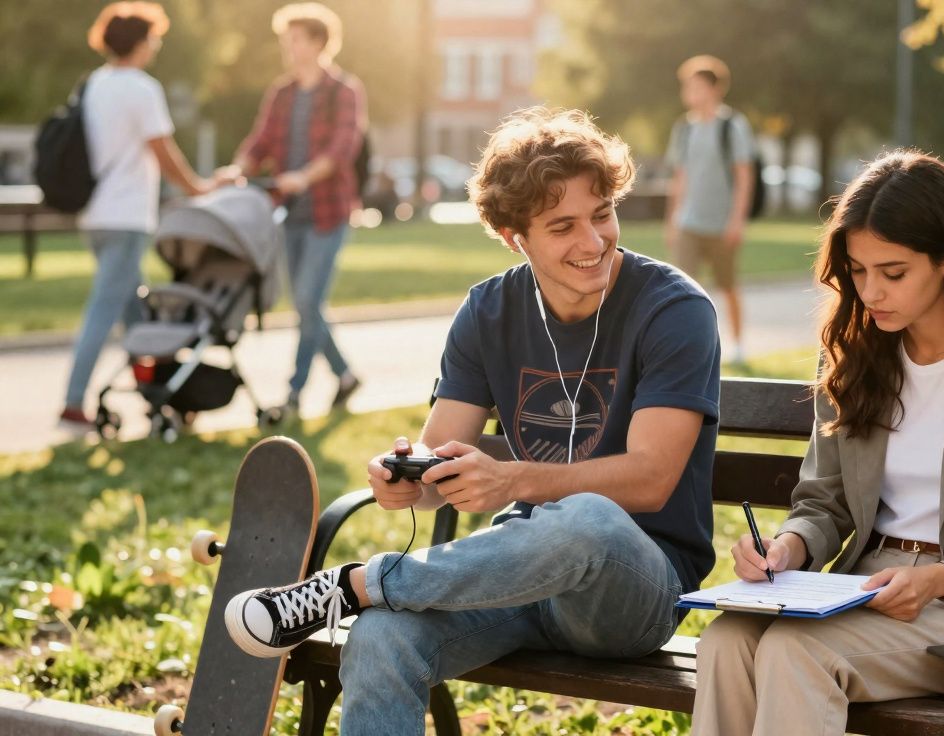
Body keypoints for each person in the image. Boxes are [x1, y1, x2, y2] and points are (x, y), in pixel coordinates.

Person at [224, 108, 721, 734]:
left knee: (591, 518)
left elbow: (651, 481)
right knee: (381, 637)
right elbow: (439, 468)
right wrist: (410, 479)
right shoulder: (489, 310)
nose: (593, 243)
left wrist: (512, 481)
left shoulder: (673, 308)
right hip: (513, 581)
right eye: (563, 226)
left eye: (602, 215)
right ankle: (370, 595)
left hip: (631, 591)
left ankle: (358, 583)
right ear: (516, 237)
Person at [690, 151, 944, 736]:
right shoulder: (856, 351)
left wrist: (943, 577)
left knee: (797, 654)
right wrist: (788, 550)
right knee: (726, 641)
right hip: (862, 584)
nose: (871, 292)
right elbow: (824, 503)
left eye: (893, 272)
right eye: (857, 271)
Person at [60, 1, 213, 430]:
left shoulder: (94, 84)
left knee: (137, 315)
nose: (157, 45)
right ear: (140, 42)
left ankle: (162, 394)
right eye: (154, 38)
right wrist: (198, 188)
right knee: (103, 310)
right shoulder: (141, 88)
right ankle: (73, 405)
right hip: (126, 217)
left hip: (95, 216)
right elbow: (164, 152)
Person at [217, 2, 365, 416]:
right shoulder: (281, 93)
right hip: (289, 214)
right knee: (306, 304)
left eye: (295, 39)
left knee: (305, 299)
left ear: (318, 42)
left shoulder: (344, 91)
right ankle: (345, 375)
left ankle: (294, 394)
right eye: (287, 40)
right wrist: (239, 168)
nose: (289, 47)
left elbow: (342, 148)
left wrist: (305, 175)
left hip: (327, 212)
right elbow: (260, 141)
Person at [665, 54, 756, 365]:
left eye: (696, 85)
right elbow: (680, 179)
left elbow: (744, 177)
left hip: (722, 225)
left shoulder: (732, 126)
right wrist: (672, 220)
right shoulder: (684, 129)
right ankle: (688, 349)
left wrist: (736, 221)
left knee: (728, 286)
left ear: (715, 88)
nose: (690, 91)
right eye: (687, 86)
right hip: (689, 223)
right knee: (682, 289)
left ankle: (739, 345)